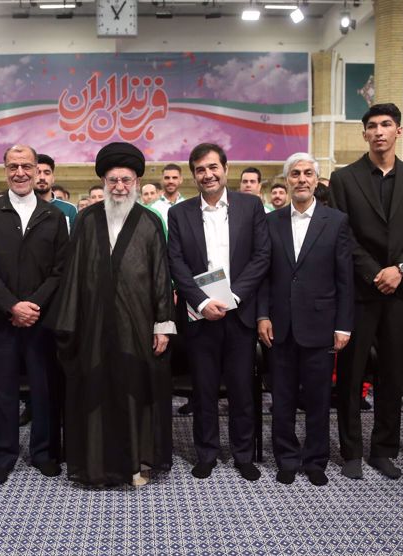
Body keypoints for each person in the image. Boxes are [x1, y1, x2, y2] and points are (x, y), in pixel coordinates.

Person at [50, 142, 175, 487]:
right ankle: (97, 466)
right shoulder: (87, 219)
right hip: (93, 325)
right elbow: (73, 273)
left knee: (134, 390)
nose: (120, 186)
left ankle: (136, 463)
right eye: (113, 180)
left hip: (136, 323)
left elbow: (160, 276)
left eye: (126, 180)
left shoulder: (150, 222)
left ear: (136, 181)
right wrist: (69, 323)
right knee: (97, 392)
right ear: (104, 182)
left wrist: (163, 325)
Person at [329, 103, 403, 480]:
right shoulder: (344, 178)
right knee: (352, 374)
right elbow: (344, 234)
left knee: (392, 372)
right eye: (372, 126)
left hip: (401, 290)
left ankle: (383, 449)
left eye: (387, 124)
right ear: (364, 133)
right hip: (360, 289)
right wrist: (375, 273)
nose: (380, 131)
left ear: (398, 131)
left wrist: (400, 269)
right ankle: (351, 451)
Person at [167, 142, 270, 482]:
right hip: (200, 317)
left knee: (242, 391)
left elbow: (261, 257)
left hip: (239, 314)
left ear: (226, 169)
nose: (207, 174)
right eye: (200, 170)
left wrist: (236, 297)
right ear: (193, 174)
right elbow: (177, 263)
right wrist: (201, 302)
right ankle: (207, 454)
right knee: (204, 391)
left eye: (213, 167)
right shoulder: (178, 213)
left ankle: (243, 455)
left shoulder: (251, 205)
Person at [0, 144, 68, 485]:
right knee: (3, 391)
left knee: (44, 390)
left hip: (42, 322)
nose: (20, 173)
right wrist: (12, 306)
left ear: (38, 169)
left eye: (27, 166)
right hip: (2, 320)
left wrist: (32, 307)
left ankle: (44, 453)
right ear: (5, 170)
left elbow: (60, 271)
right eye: (13, 166)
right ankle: (3, 454)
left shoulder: (53, 215)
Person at [256, 152, 354, 486]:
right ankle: (285, 458)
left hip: (321, 325)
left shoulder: (336, 221)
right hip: (280, 326)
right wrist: (262, 316)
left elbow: (345, 278)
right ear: (286, 180)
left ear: (316, 179)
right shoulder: (271, 222)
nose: (301, 179)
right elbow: (264, 276)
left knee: (318, 400)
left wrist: (343, 325)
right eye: (295, 173)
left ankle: (315, 460)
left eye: (307, 173)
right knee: (281, 399)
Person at [35, 154, 78, 231]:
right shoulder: (22, 207)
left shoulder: (69, 209)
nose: (42, 177)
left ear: (53, 178)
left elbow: (75, 241)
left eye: (47, 173)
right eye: (37, 173)